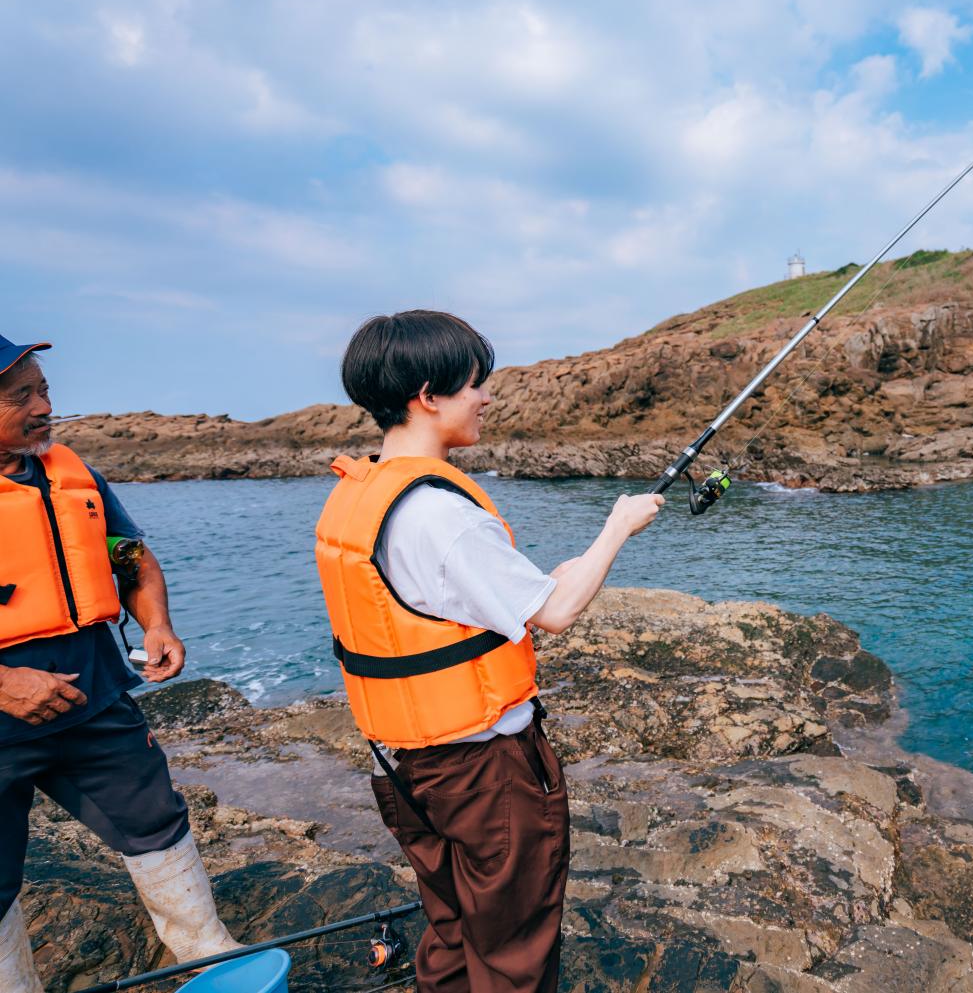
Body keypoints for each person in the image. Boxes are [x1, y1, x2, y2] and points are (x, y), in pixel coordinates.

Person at [314, 310, 661, 992]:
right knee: (513, 945)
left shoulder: (361, 497)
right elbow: (556, 614)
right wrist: (618, 526)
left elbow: (457, 601)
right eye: (476, 383)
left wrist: (553, 574)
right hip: (483, 770)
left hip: (403, 763)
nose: (486, 397)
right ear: (428, 395)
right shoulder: (442, 514)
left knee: (451, 926)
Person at [0, 334, 242, 992]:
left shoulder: (68, 472)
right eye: (21, 394)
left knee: (155, 817)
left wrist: (156, 621)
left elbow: (129, 556)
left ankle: (206, 952)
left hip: (96, 701)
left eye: (44, 388)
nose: (44, 404)